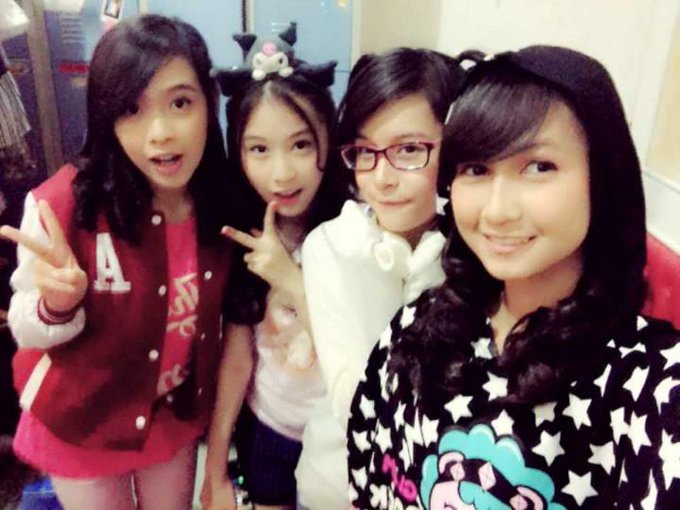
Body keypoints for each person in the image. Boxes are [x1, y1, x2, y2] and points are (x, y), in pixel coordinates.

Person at [347, 45, 680, 509]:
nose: (498, 211)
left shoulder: (650, 383)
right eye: (476, 169)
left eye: (538, 167)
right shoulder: (418, 328)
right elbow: (368, 478)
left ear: (602, 177)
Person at [1, 14, 231, 510]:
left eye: (180, 103)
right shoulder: (63, 206)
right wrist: (57, 306)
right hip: (82, 420)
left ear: (208, 103)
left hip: (167, 415)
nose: (161, 133)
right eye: (132, 109)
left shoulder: (221, 203)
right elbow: (25, 327)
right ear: (107, 119)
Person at [295, 48, 470, 509]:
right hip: (338, 484)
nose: (382, 179)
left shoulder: (481, 250)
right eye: (365, 152)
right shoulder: (331, 247)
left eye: (409, 149)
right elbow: (353, 401)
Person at [201, 28, 350, 510]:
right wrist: (215, 468)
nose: (282, 174)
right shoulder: (241, 233)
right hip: (267, 429)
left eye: (301, 145)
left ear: (329, 138)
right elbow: (238, 357)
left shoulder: (357, 230)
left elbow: (357, 354)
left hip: (341, 440)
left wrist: (287, 276)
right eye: (259, 150)